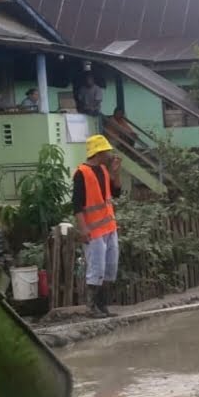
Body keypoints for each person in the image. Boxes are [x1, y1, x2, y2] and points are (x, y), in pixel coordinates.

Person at [73, 135, 122, 318]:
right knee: (96, 268)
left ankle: (103, 306)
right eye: (106, 151)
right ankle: (91, 307)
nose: (110, 154)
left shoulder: (103, 169)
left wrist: (116, 173)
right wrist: (83, 229)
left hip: (109, 227)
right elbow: (77, 205)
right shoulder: (81, 173)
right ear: (98, 152)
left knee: (109, 267)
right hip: (93, 230)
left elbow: (116, 192)